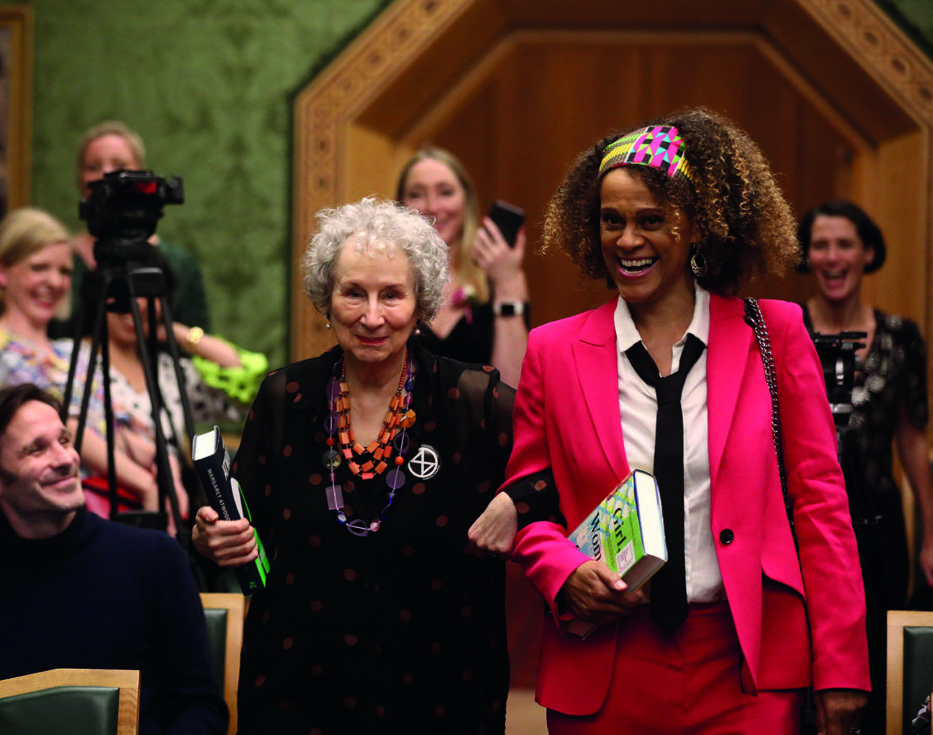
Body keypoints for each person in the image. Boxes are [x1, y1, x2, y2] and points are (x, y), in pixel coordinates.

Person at [481, 109, 870, 733]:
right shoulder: (553, 352)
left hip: (749, 666)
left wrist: (842, 671)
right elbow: (529, 502)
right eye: (612, 221)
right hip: (605, 667)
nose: (627, 241)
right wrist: (563, 572)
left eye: (650, 220)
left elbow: (822, 508)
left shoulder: (775, 333)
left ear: (696, 227)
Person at [192, 198, 517, 732]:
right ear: (327, 298)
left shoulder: (472, 400)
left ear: (421, 304)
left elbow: (557, 473)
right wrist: (212, 539)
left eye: (391, 295)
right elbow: (229, 527)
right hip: (297, 692)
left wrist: (515, 502)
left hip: (439, 696)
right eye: (353, 293)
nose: (371, 317)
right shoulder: (284, 397)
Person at [0, 384, 227, 735]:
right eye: (36, 450)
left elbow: (200, 707)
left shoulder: (154, 557)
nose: (67, 459)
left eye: (65, 441)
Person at [798, 198, 933, 714]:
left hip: (878, 527)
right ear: (807, 256)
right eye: (820, 245)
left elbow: (914, 440)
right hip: (802, 526)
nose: (833, 257)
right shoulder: (783, 331)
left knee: (877, 666)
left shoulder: (901, 337)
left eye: (845, 245)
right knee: (810, 668)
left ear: (867, 252)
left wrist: (930, 534)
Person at [0, 207, 161, 515]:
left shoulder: (70, 351)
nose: (54, 282)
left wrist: (167, 472)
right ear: (1, 272)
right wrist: (146, 484)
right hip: (49, 514)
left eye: (64, 271)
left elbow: (120, 427)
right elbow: (68, 428)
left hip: (111, 506)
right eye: (39, 268)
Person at [73, 247, 267, 520]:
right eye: (125, 291)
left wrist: (175, 331)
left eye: (146, 293)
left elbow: (240, 387)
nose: (136, 303)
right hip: (97, 511)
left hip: (170, 515)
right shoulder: (67, 361)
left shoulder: (167, 371)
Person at [396, 146, 529, 387]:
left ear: (466, 202)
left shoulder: (499, 278)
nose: (433, 206)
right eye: (417, 194)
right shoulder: (387, 281)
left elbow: (512, 389)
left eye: (445, 192)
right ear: (401, 206)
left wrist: (507, 284)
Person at [66, 120, 211, 333]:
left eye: (120, 166)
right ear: (80, 179)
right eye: (93, 167)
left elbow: (200, 335)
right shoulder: (61, 258)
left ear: (141, 175)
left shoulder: (179, 263)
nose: (106, 175)